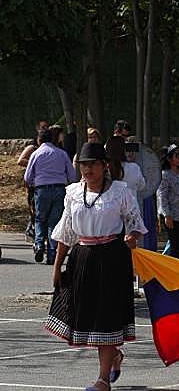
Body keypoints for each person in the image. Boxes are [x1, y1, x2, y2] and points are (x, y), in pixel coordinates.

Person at [45, 142, 147, 391]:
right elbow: (66, 233)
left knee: (107, 318)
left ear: (104, 166)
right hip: (82, 258)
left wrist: (132, 237)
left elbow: (135, 224)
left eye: (92, 164)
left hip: (112, 259)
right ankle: (113, 356)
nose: (87, 169)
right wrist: (57, 266)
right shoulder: (72, 194)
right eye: (83, 165)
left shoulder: (120, 192)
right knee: (89, 315)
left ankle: (102, 380)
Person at [24, 129, 76, 264]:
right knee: (54, 222)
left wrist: (31, 184)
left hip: (41, 189)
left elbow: (27, 176)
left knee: (40, 219)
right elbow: (72, 175)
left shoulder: (36, 154)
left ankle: (39, 244)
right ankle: (52, 254)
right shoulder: (62, 154)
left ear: (39, 140)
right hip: (59, 188)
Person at [156, 144, 179, 259]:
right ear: (169, 158)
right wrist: (167, 215)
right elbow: (162, 196)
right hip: (174, 217)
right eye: (176, 156)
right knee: (176, 247)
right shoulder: (165, 175)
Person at [105, 136, 146, 204]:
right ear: (123, 150)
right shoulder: (134, 168)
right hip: (131, 210)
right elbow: (142, 186)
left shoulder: (104, 169)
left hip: (111, 211)